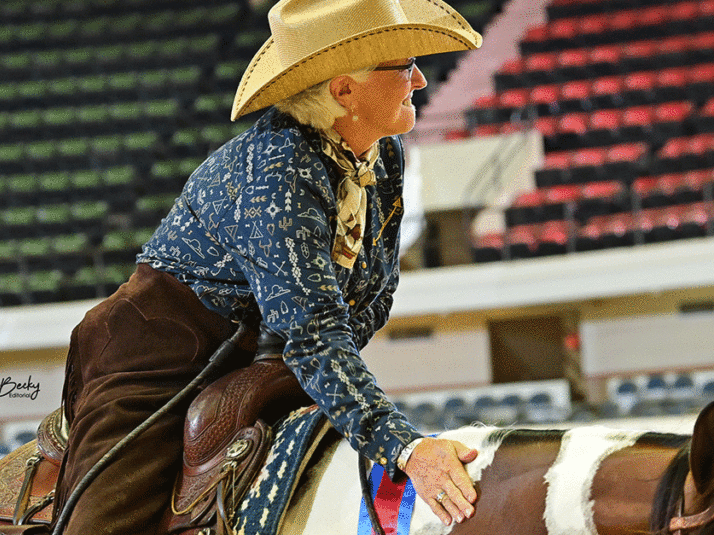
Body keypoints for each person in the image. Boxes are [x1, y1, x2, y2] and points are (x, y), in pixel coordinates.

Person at [53, 0, 483, 532]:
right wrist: (405, 447)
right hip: (157, 352)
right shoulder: (279, 171)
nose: (418, 80)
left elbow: (375, 293)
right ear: (343, 91)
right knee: (106, 522)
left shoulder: (383, 154)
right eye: (402, 68)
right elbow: (314, 332)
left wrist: (303, 368)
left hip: (267, 348)